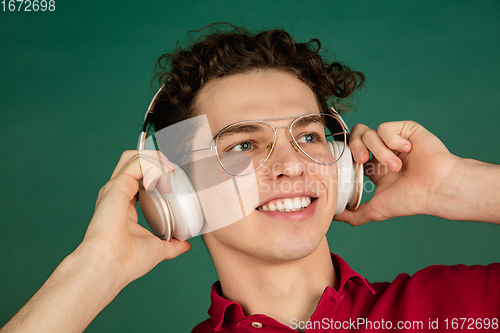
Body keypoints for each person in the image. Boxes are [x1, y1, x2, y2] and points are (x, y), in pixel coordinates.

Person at [1, 24, 499, 333]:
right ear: (178, 189)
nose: (291, 164)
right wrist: (95, 270)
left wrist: (458, 186)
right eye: (243, 145)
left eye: (308, 136)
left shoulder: (460, 305)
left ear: (343, 167)